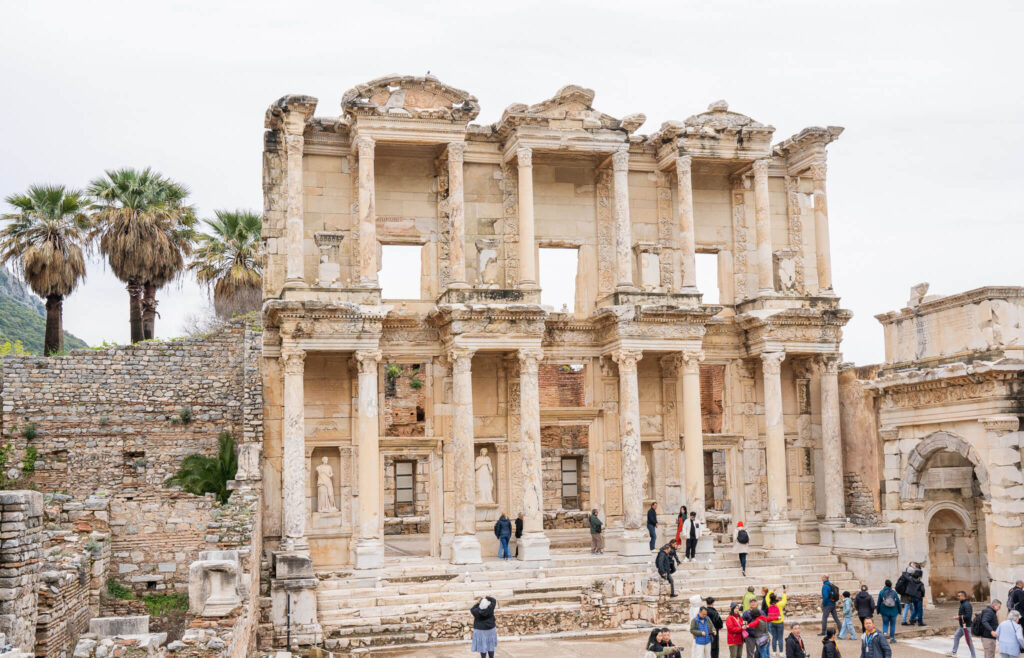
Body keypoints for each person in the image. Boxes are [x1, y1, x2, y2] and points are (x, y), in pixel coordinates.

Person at [951, 590, 977, 658]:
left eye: (959, 596)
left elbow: (968, 616)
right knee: (956, 636)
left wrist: (959, 617)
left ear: (963, 596)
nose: (958, 597)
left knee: (969, 642)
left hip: (966, 626)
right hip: (961, 626)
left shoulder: (967, 604)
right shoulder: (963, 603)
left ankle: (973, 656)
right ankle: (954, 652)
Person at [768, 590, 788, 656]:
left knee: (774, 637)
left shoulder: (769, 603)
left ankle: (774, 652)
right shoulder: (779, 604)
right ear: (775, 598)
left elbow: (767, 596)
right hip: (779, 622)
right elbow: (784, 601)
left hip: (772, 622)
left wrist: (772, 590)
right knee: (780, 638)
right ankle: (781, 653)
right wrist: (784, 593)